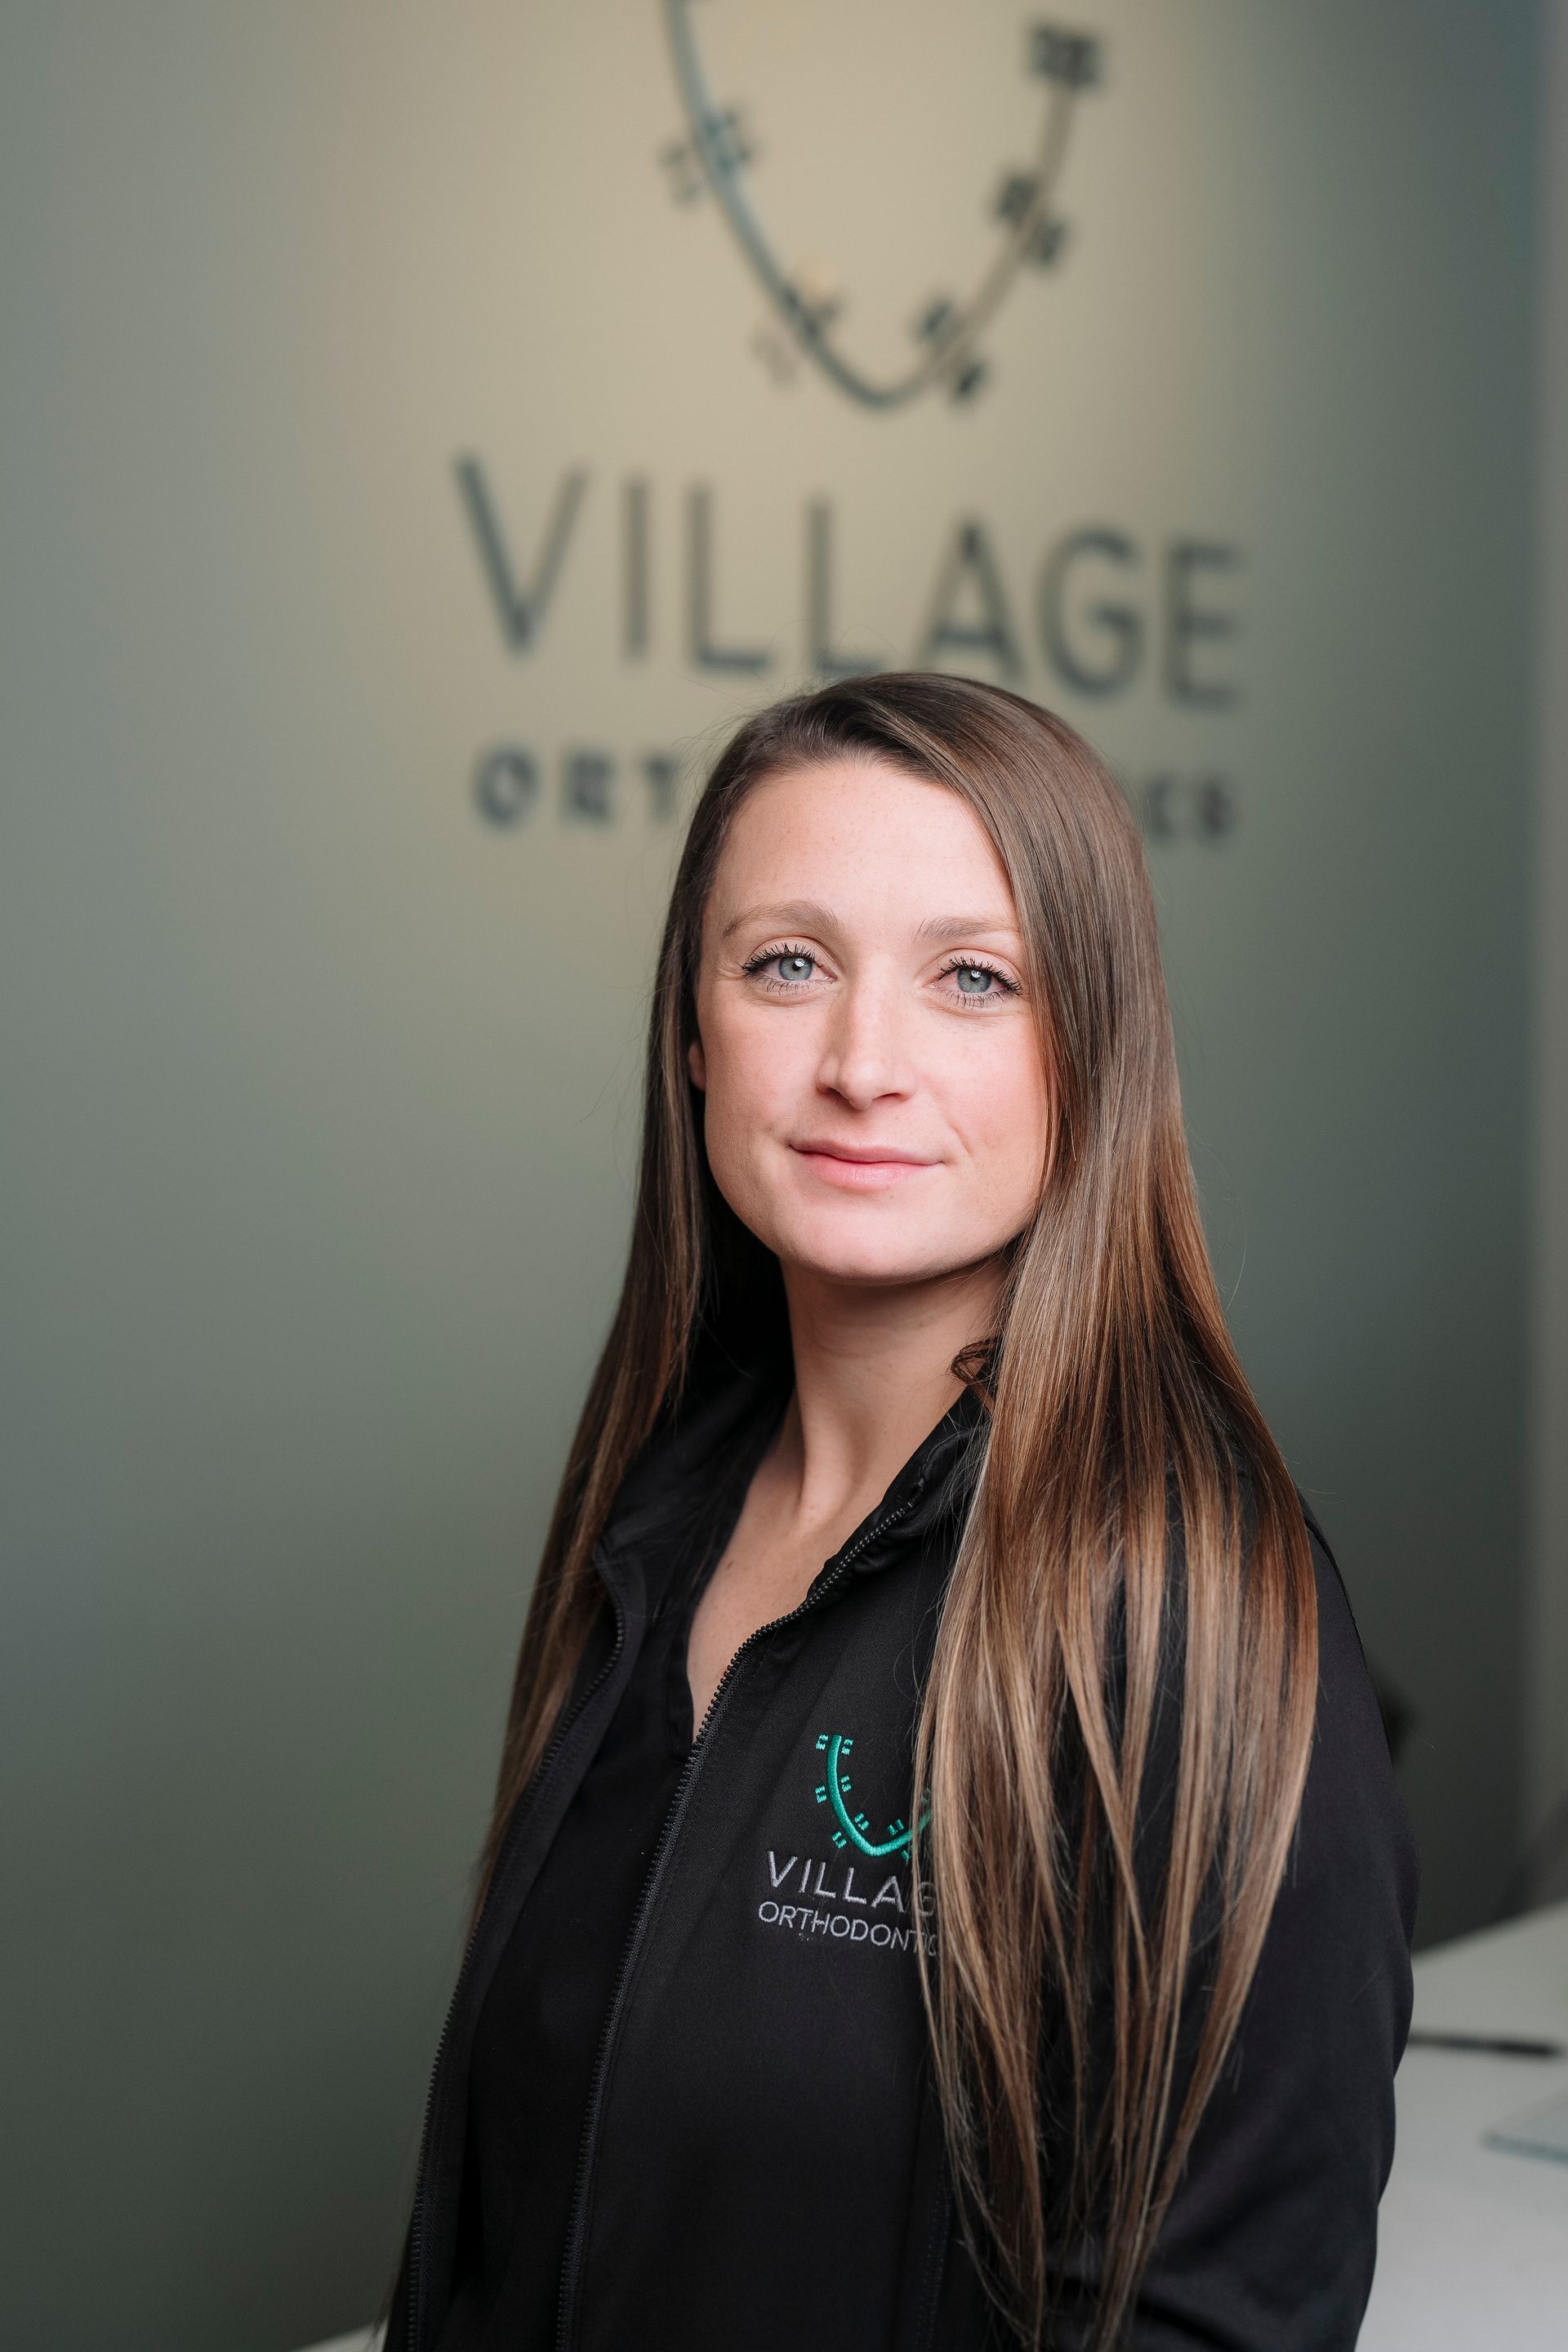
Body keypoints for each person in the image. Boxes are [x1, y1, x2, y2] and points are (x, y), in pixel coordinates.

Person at [386, 675, 1417, 2352]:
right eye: (789, 963)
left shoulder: (1188, 1610)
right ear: (693, 1035)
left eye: (973, 980)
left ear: (1090, 1044)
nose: (864, 1064)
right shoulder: (659, 1512)